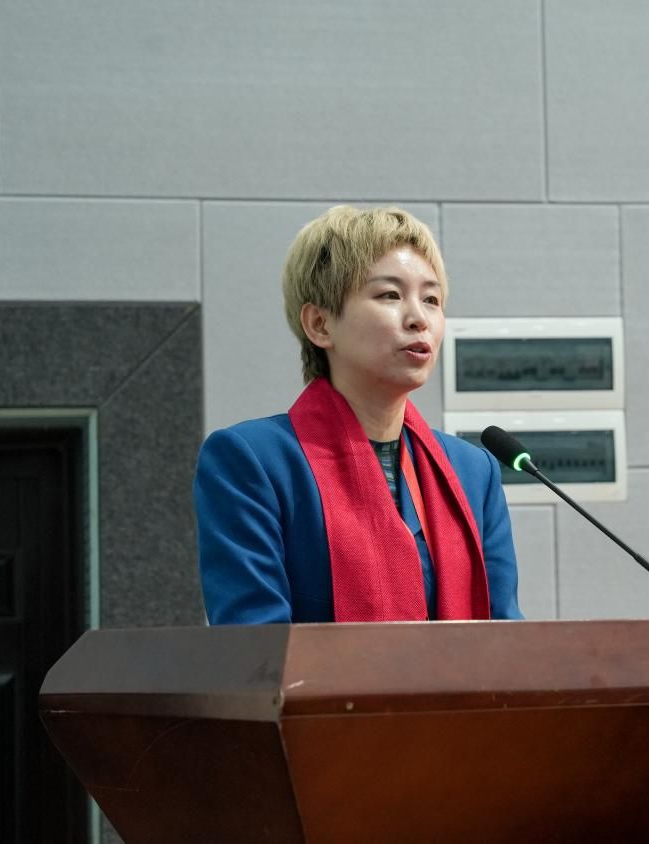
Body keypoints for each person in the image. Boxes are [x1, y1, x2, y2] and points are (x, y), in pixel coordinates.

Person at [195, 206, 523, 624]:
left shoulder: (472, 471)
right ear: (320, 324)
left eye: (431, 299)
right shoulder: (253, 461)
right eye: (390, 295)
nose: (419, 319)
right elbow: (255, 643)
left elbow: (505, 634)